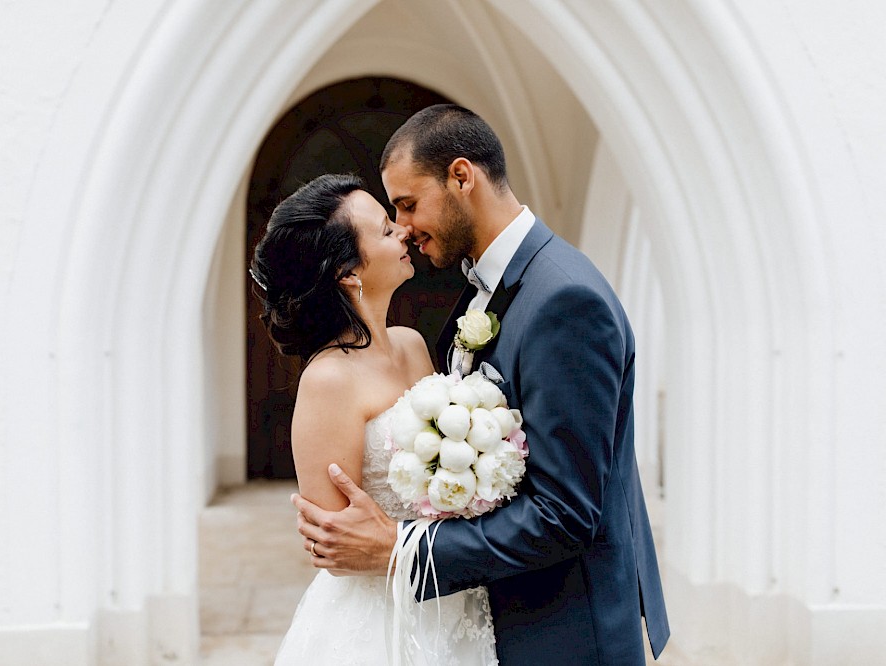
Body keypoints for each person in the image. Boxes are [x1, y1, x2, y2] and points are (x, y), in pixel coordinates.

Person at [292, 105, 670, 664]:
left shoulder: (565, 300)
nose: (404, 228)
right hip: (490, 618)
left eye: (408, 204)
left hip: (563, 632)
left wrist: (403, 550)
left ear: (462, 177)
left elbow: (564, 512)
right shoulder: (484, 291)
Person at [250, 173, 499, 665]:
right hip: (378, 621)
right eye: (386, 230)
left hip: (450, 590)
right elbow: (334, 547)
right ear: (348, 271)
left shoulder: (411, 342)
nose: (404, 232)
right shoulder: (329, 381)